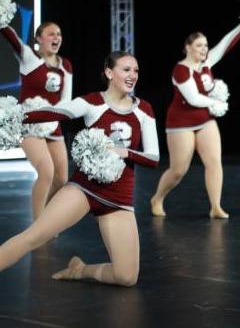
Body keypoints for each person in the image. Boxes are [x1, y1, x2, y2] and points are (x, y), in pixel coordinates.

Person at [0, 51, 159, 285]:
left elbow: (153, 158)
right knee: (33, 237)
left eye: (135, 70)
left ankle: (80, 270)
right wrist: (15, 117)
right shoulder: (92, 102)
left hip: (118, 198)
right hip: (83, 190)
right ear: (108, 73)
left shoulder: (144, 109)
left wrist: (123, 152)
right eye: (126, 69)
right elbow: (56, 112)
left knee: (126, 277)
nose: (132, 75)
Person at [149, 21, 240, 219]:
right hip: (181, 123)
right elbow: (193, 98)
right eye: (199, 45)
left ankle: (215, 207)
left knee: (214, 162)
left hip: (205, 120)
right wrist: (215, 102)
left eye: (205, 45)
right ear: (188, 48)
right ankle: (157, 198)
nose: (204, 49)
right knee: (179, 170)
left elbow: (225, 44)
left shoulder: (206, 64)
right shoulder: (180, 70)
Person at [1, 21, 73, 220]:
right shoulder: (28, 57)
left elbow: (66, 100)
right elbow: (10, 36)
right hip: (29, 125)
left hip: (52, 124)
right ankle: (39, 224)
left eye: (59, 34)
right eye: (51, 34)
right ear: (38, 39)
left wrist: (53, 116)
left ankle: (47, 214)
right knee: (46, 172)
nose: (56, 38)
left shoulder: (65, 65)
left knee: (61, 178)